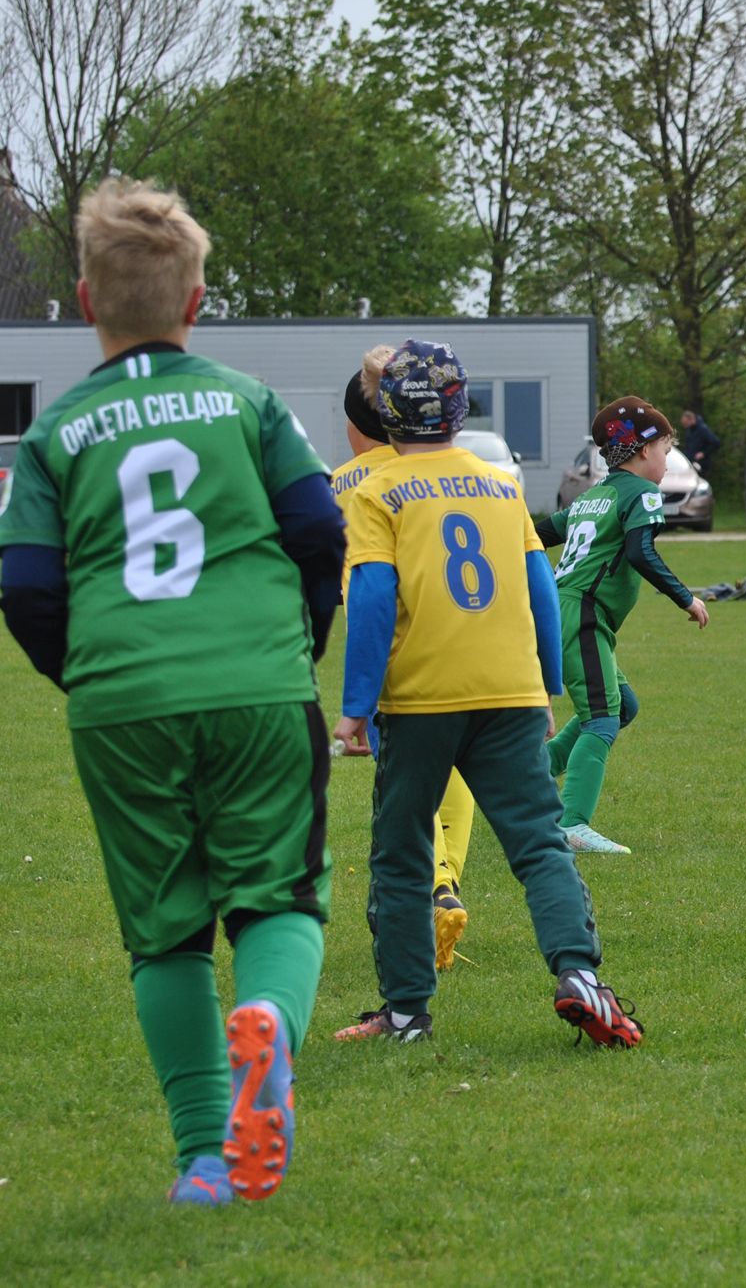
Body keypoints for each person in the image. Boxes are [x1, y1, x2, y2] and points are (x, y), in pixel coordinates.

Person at [0, 178, 345, 1204]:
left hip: (121, 699)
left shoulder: (57, 435)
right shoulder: (248, 403)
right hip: (254, 681)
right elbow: (320, 530)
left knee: (165, 931)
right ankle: (272, 1028)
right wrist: (299, 642)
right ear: (197, 303)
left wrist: (93, 673)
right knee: (278, 894)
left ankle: (205, 1156)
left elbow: (22, 586)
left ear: (82, 300)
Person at [332, 339, 643, 1047]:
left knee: (402, 848)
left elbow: (375, 597)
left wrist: (356, 705)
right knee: (537, 842)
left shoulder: (377, 492)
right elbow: (539, 586)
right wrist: (549, 684)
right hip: (509, 691)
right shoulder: (501, 485)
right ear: (459, 409)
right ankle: (581, 975)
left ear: (386, 412)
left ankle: (406, 1012)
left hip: (421, 696)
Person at [331, 348, 478, 969]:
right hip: (478, 649)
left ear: (356, 424)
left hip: (400, 660)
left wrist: (354, 703)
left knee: (405, 795)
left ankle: (433, 886)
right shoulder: (458, 471)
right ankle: (446, 883)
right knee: (460, 781)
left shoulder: (346, 484)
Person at [538, 399, 710, 854]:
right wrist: (686, 598)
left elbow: (537, 535)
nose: (668, 459)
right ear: (640, 452)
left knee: (622, 705)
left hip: (568, 610)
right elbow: (640, 552)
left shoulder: (593, 495)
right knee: (600, 719)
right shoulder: (640, 494)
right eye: (665, 449)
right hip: (585, 612)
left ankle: (535, 769)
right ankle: (572, 823)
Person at [677, 407, 721, 485]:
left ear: (691, 419)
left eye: (686, 423)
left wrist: (703, 453)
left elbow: (716, 443)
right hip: (691, 463)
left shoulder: (703, 429)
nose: (685, 426)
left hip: (701, 465)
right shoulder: (690, 430)